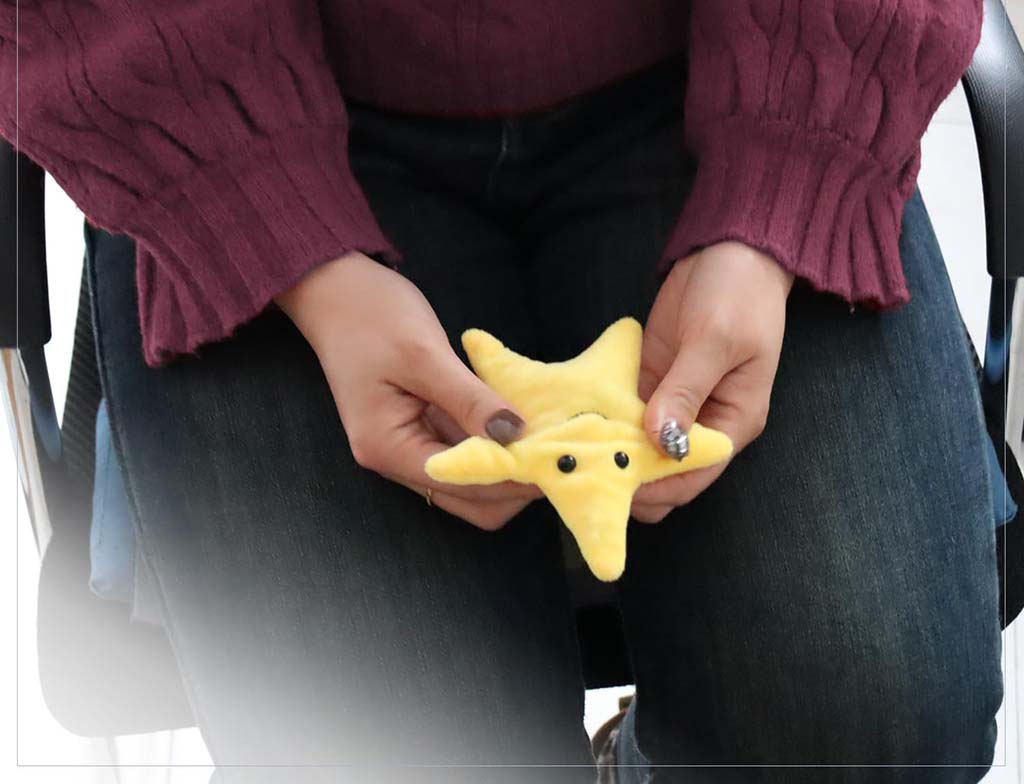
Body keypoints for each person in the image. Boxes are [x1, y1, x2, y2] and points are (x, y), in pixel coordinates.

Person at [0, 1, 1003, 782]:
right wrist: (267, 227)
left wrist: (788, 169)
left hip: (719, 65)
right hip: (225, 86)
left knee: (871, 721)